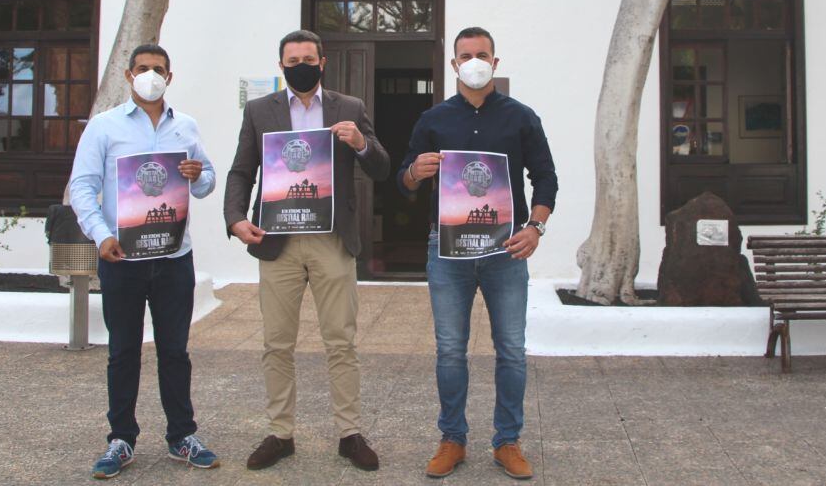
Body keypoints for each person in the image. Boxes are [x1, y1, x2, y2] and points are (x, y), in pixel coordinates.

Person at [224, 29, 390, 472]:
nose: (300, 65)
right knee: (277, 343)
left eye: (307, 58)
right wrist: (236, 219)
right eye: (291, 59)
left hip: (331, 239)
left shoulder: (349, 108)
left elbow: (381, 166)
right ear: (281, 65)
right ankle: (281, 434)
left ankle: (349, 433)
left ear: (322, 62)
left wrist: (359, 142)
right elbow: (242, 170)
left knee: (341, 341)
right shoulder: (260, 110)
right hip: (277, 241)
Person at [399, 27, 557, 480]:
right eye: (465, 55)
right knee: (450, 350)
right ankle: (452, 439)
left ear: (495, 61)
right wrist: (415, 172)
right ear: (453, 64)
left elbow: (545, 178)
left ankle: (508, 441)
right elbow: (403, 183)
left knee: (511, 349)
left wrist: (536, 227)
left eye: (481, 54)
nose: (474, 61)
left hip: (506, 249)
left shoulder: (522, 117)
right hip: (448, 250)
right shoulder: (432, 119)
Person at [69, 44, 219, 479]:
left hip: (174, 256)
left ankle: (181, 436)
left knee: (175, 350)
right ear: (127, 73)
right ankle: (121, 439)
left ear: (169, 77)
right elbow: (82, 187)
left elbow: (207, 181)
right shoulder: (103, 127)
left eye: (158, 69)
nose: (150, 75)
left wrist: (198, 175)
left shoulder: (185, 126)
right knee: (123, 351)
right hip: (122, 257)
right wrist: (101, 236)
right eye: (142, 69)